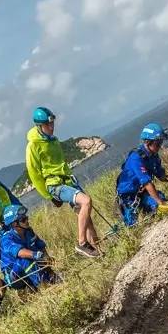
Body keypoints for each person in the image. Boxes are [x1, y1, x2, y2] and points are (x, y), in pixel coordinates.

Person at [24, 106, 101, 258]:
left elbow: (62, 164)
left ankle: (98, 251)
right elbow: (34, 174)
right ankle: (81, 243)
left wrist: (71, 180)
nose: (51, 127)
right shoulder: (33, 145)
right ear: (39, 126)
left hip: (67, 182)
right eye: (47, 124)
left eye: (52, 123)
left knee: (85, 217)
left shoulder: (54, 140)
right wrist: (49, 196)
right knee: (86, 201)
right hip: (54, 185)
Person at [116, 121, 168, 226]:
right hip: (128, 197)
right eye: (158, 143)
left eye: (161, 142)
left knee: (158, 201)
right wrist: (161, 203)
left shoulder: (153, 156)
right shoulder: (136, 158)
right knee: (133, 224)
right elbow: (147, 183)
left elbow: (160, 174)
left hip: (142, 192)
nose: (160, 146)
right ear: (148, 142)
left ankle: (148, 210)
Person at [0, 204, 59, 290]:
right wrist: (37, 255)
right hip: (14, 276)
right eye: (23, 220)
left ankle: (50, 278)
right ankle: (43, 286)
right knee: (26, 259)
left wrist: (47, 259)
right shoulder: (6, 239)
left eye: (26, 218)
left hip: (30, 266)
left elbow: (40, 247)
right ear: (15, 224)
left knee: (38, 256)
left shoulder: (29, 231)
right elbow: (20, 252)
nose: (27, 221)